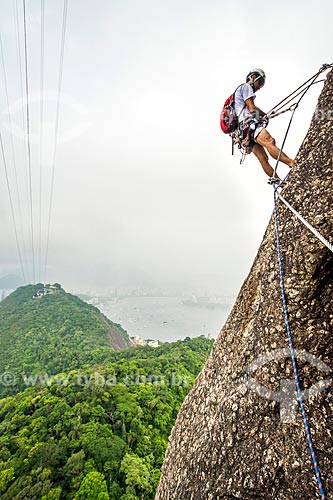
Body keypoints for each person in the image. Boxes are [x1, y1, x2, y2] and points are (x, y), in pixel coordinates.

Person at [234, 68, 294, 178]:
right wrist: (264, 115)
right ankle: (292, 163)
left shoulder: (237, 94)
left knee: (263, 158)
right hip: (248, 124)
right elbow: (252, 109)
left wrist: (262, 117)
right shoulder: (246, 87)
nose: (259, 87)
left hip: (242, 132)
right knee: (269, 141)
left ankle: (280, 183)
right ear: (253, 77)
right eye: (260, 82)